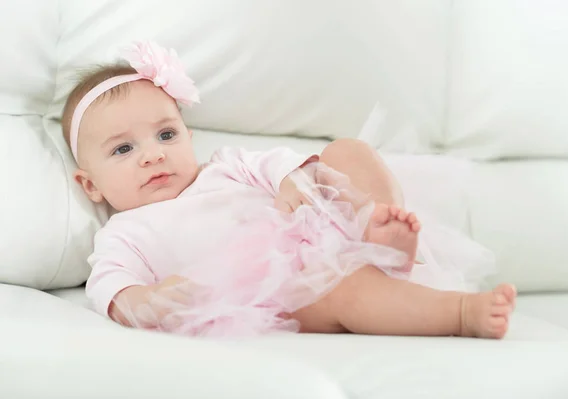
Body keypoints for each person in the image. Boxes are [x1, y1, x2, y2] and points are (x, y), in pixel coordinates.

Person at [62, 40, 516, 339]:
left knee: (345, 150)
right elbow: (109, 283)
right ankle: (460, 313)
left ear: (188, 136)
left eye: (166, 135)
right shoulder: (125, 232)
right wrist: (142, 300)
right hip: (281, 292)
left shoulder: (224, 167)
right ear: (90, 184)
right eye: (123, 149)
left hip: (324, 228)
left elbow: (278, 164)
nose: (152, 155)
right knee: (346, 292)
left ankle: (379, 226)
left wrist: (294, 177)